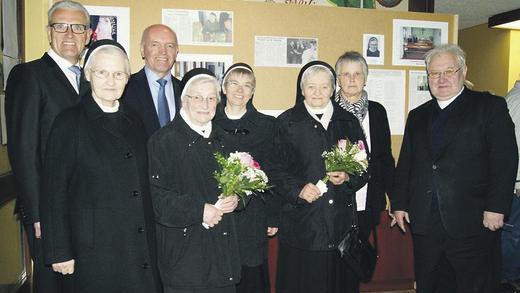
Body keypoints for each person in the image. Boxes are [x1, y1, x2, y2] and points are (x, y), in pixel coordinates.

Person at [391, 44, 518, 293]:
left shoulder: (489, 107)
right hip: (426, 221)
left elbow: (505, 160)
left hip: (474, 220)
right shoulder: (418, 116)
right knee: (431, 283)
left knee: (473, 285)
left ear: (464, 70)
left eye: (449, 71)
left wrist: (496, 207)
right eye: (434, 73)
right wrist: (399, 203)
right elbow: (406, 162)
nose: (441, 78)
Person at [40, 39, 161, 293]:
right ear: (88, 75)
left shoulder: (134, 120)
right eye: (102, 72)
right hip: (93, 248)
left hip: (136, 243)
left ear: (127, 78)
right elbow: (54, 191)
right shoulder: (69, 122)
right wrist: (59, 251)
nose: (110, 81)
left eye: (118, 74)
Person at [5, 1, 92, 291]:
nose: (69, 34)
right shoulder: (28, 75)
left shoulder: (91, 82)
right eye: (60, 26)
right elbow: (23, 150)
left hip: (84, 207)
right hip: (49, 209)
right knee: (53, 283)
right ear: (48, 32)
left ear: (88, 34)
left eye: (77, 27)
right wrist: (38, 215)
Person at [273, 60, 367, 293]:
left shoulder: (348, 122)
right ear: (302, 89)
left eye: (324, 87)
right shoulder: (286, 123)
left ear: (333, 89)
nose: (317, 92)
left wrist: (347, 177)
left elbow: (365, 167)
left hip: (340, 227)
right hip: (302, 227)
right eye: (311, 87)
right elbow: (273, 170)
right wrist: (298, 189)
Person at [149, 68, 241, 293]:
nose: (205, 104)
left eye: (211, 98)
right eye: (197, 97)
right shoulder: (163, 141)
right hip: (185, 260)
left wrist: (238, 198)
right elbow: (157, 199)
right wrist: (198, 210)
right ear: (184, 101)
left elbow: (243, 183)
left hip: (223, 259)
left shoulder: (224, 140)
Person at [214, 63, 280, 293]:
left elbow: (274, 173)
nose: (240, 91)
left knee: (251, 278)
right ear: (223, 87)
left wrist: (272, 216)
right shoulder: (208, 123)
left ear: (252, 92)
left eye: (247, 86)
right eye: (234, 83)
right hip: (218, 214)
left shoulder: (267, 126)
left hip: (253, 217)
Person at [334, 51, 395, 289]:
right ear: (338, 78)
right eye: (346, 74)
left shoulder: (377, 112)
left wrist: (395, 197)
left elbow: (385, 158)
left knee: (355, 261)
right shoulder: (328, 110)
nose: (352, 79)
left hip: (367, 201)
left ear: (365, 78)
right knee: (334, 264)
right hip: (336, 201)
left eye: (357, 74)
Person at [123, 24, 181, 138]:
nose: (163, 51)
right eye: (155, 45)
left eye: (169, 46)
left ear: (176, 52)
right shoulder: (124, 88)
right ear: (142, 50)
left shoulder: (186, 90)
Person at [502, 80, 520, 291]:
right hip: (516, 186)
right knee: (513, 234)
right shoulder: (516, 101)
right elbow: (511, 148)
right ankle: (507, 280)